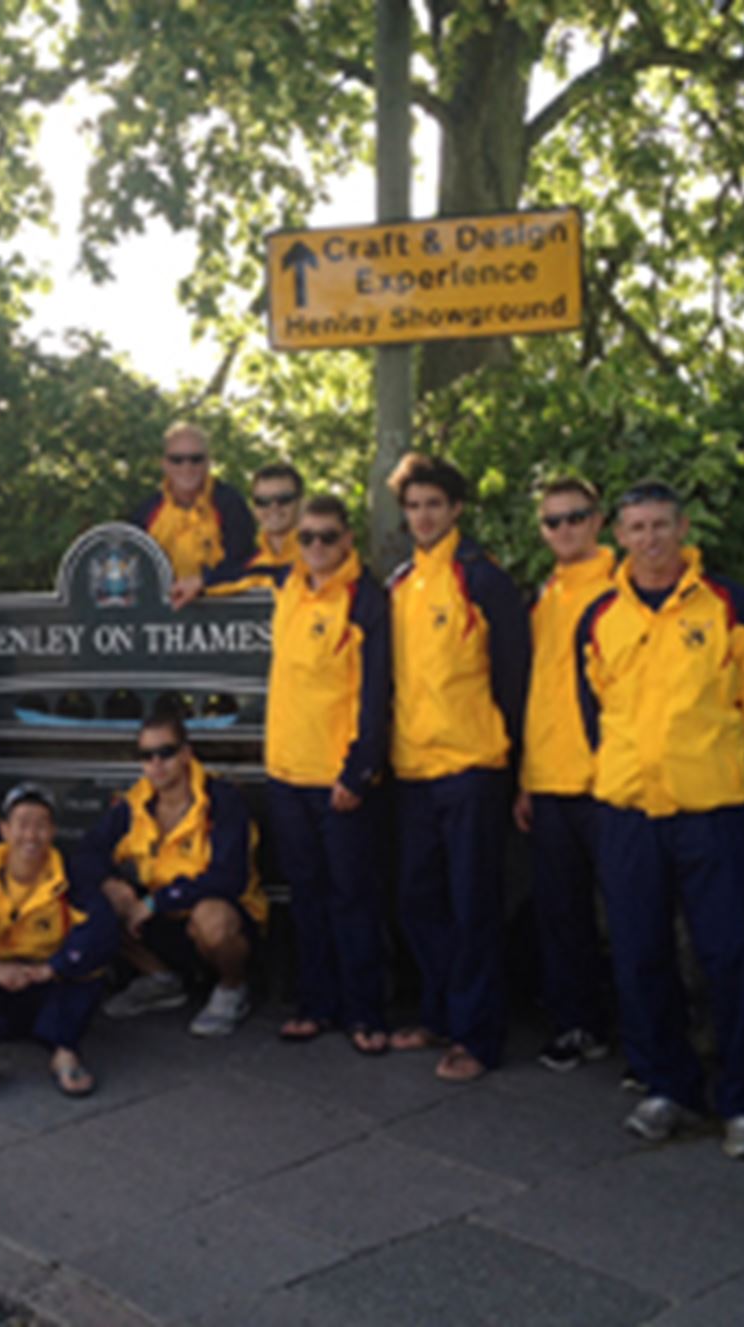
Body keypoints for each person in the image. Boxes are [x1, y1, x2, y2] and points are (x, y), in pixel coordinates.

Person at [576, 480, 744, 1160]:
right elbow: (595, 708)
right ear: (621, 535)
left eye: (661, 525)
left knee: (730, 954)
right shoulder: (602, 615)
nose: (650, 539)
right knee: (638, 953)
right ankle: (669, 1085)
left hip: (710, 810)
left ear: (682, 527)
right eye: (636, 527)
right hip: (630, 811)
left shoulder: (729, 606)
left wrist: (718, 763)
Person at [386, 453, 530, 1082]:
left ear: (456, 509)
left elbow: (515, 676)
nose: (423, 516)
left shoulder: (482, 579)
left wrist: (520, 769)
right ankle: (442, 1011)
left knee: (474, 904)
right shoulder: (399, 584)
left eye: (434, 505)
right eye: (414, 506)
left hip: (473, 766)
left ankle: (478, 1035)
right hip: (412, 768)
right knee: (418, 898)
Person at [258, 496, 391, 1052]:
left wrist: (360, 770)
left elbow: (379, 689)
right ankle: (316, 1004)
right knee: (306, 896)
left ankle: (366, 1013)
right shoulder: (288, 586)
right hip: (286, 773)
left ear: (347, 540)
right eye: (306, 537)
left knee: (353, 897)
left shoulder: (366, 598)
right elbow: (227, 580)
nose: (315, 547)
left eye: (326, 537)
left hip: (338, 779)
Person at [79, 707, 268, 1037]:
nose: (156, 764)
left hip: (211, 919)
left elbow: (229, 879)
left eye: (165, 753)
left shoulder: (221, 799)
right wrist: (111, 885)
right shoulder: (134, 802)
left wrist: (154, 904)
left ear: (186, 754)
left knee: (213, 917)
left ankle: (232, 988)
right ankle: (161, 980)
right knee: (94, 898)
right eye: (146, 755)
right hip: (160, 918)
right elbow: (87, 852)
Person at [0, 784, 117, 1101]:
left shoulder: (71, 874)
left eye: (40, 825)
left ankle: (65, 1050)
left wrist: (54, 967)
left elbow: (103, 928)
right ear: (4, 830)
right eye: (22, 824)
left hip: (48, 983)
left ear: (53, 831)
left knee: (91, 963)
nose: (31, 835)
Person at [514, 478, 615, 1072]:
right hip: (549, 782)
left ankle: (650, 1038)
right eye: (552, 521)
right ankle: (579, 1024)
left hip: (608, 783)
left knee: (632, 918)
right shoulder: (546, 595)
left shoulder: (619, 589)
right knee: (561, 915)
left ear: (598, 522)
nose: (564, 529)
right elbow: (539, 697)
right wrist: (527, 779)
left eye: (575, 517)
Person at [130, 422, 255, 582]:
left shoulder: (230, 505)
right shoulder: (147, 512)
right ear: (164, 464)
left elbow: (244, 563)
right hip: (163, 603)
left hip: (220, 603)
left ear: (208, 462)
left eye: (196, 459)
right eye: (177, 459)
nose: (187, 467)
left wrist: (203, 581)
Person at [170, 460, 303, 607]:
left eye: (283, 500)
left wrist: (208, 584)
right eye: (263, 501)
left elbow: (283, 576)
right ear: (254, 508)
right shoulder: (245, 563)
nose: (273, 507)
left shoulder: (324, 551)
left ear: (302, 503)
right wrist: (202, 584)